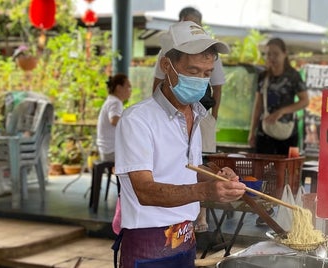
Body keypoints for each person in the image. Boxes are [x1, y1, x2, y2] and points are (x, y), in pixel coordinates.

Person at [113, 21, 245, 267]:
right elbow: (144, 190)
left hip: (185, 238)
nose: (201, 81)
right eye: (193, 72)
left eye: (207, 74)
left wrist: (216, 177)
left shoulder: (197, 114)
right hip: (148, 243)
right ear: (167, 66)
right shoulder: (138, 119)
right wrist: (207, 192)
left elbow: (190, 170)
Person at [152, 6, 224, 154]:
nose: (199, 77)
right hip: (169, 112)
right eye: (192, 70)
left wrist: (213, 118)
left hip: (203, 112)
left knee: (204, 156)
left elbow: (217, 87)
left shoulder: (211, 53)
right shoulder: (167, 52)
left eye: (206, 73)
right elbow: (157, 82)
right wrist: (156, 110)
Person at [248, 38, 309, 155]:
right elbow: (258, 105)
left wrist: (281, 112)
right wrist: (252, 132)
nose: (272, 58)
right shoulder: (263, 76)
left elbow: (305, 101)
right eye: (268, 54)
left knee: (287, 169)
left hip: (288, 131)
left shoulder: (293, 76)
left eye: (276, 54)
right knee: (261, 168)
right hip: (265, 130)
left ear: (284, 53)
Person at [96, 74, 131, 162]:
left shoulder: (111, 100)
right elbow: (114, 120)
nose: (130, 90)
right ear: (119, 88)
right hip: (111, 152)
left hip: (106, 150)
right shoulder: (115, 102)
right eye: (128, 87)